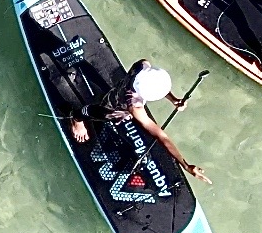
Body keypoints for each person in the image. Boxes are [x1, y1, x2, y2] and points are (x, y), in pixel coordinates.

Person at [65, 60, 210, 184]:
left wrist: (173, 100)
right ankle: (76, 118)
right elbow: (162, 137)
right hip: (114, 108)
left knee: (118, 106)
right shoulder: (135, 106)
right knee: (98, 112)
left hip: (119, 92)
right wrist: (184, 164)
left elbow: (155, 84)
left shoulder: (142, 65)